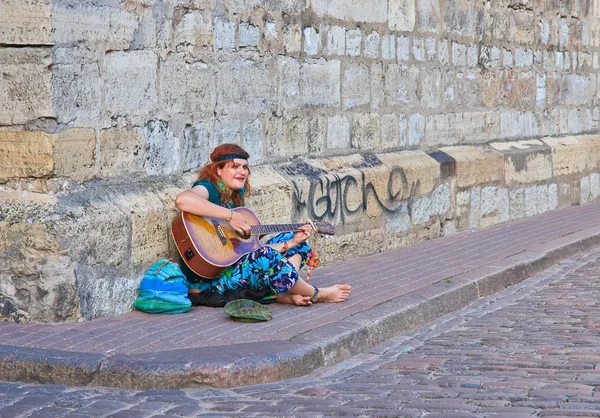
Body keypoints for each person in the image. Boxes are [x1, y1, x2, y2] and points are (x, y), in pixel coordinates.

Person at [174, 143, 352, 307]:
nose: (242, 171)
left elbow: (249, 251)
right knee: (266, 256)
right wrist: (230, 216)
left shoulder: (234, 199)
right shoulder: (209, 188)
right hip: (210, 282)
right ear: (218, 170)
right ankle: (317, 294)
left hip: (235, 268)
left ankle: (283, 291)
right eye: (235, 166)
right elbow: (183, 200)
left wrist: (291, 243)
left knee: (296, 242)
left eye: (245, 167)